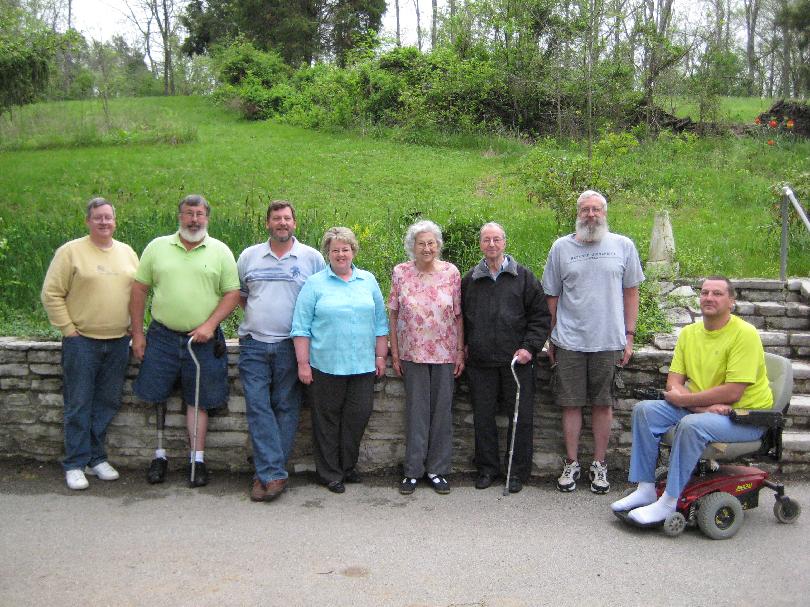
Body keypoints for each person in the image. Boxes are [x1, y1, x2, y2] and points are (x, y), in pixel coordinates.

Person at [611, 276, 772, 524]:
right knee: (645, 411)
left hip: (742, 417)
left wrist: (691, 405)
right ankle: (645, 488)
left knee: (692, 425)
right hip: (705, 409)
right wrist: (700, 407)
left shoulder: (745, 335)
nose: (709, 297)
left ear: (732, 301)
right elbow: (673, 383)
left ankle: (668, 501)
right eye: (705, 292)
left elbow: (733, 393)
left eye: (717, 293)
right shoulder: (689, 333)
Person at [130, 194, 240, 487]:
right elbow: (139, 290)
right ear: (180, 217)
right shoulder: (157, 247)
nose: (194, 219)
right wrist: (138, 334)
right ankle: (159, 455)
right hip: (163, 335)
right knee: (157, 395)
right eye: (189, 213)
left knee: (199, 399)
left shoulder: (220, 251)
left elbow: (232, 294)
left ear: (207, 218)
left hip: (203, 339)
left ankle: (197, 459)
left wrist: (210, 325)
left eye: (200, 214)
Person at [541, 190, 644, 494]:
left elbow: (631, 292)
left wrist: (629, 335)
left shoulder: (623, 246)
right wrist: (552, 337)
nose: (590, 214)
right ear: (578, 213)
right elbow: (551, 296)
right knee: (570, 404)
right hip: (570, 340)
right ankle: (571, 464)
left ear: (605, 213)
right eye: (585, 209)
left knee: (603, 404)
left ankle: (599, 465)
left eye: (596, 209)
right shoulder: (561, 247)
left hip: (609, 339)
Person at [41, 198, 139, 490]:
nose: (104, 222)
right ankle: (75, 462)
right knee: (78, 403)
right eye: (98, 218)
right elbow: (52, 294)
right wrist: (69, 330)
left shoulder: (127, 253)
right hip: (82, 342)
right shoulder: (71, 252)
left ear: (115, 221)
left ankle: (96, 458)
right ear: (88, 221)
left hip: (119, 341)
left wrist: (135, 331)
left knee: (107, 403)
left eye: (108, 217)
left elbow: (138, 293)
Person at [237, 201, 325, 502]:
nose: (282, 223)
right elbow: (243, 297)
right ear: (267, 224)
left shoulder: (312, 258)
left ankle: (267, 475)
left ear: (295, 223)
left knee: (286, 408)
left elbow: (319, 299)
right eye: (276, 219)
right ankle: (273, 473)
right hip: (253, 344)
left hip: (291, 345)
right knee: (258, 406)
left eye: (287, 218)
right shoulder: (249, 256)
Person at [291, 227, 388, 494]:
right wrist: (303, 364)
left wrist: (381, 356)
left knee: (358, 416)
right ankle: (330, 473)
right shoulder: (315, 284)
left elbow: (381, 322)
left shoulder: (367, 280)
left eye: (345, 249)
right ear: (328, 253)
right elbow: (301, 327)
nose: (341, 254)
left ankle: (347, 466)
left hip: (362, 366)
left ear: (353, 251)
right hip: (325, 365)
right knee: (326, 421)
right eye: (335, 250)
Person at [461, 222, 550, 493]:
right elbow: (460, 318)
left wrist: (529, 347)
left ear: (504, 242)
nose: (491, 244)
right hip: (481, 362)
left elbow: (541, 317)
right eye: (486, 240)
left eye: (496, 239)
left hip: (517, 362)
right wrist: (464, 346)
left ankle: (516, 472)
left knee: (520, 418)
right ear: (480, 244)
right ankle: (487, 469)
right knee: (483, 418)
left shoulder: (524, 278)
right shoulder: (470, 280)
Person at [389, 220, 464, 495]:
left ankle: (437, 470)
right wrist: (395, 352)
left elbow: (458, 315)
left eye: (431, 243)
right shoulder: (401, 273)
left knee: (442, 413)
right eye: (421, 243)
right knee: (416, 414)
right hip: (412, 353)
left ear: (438, 245)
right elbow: (394, 313)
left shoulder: (451, 273)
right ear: (413, 246)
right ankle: (412, 471)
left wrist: (459, 351)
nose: (427, 248)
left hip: (445, 354)